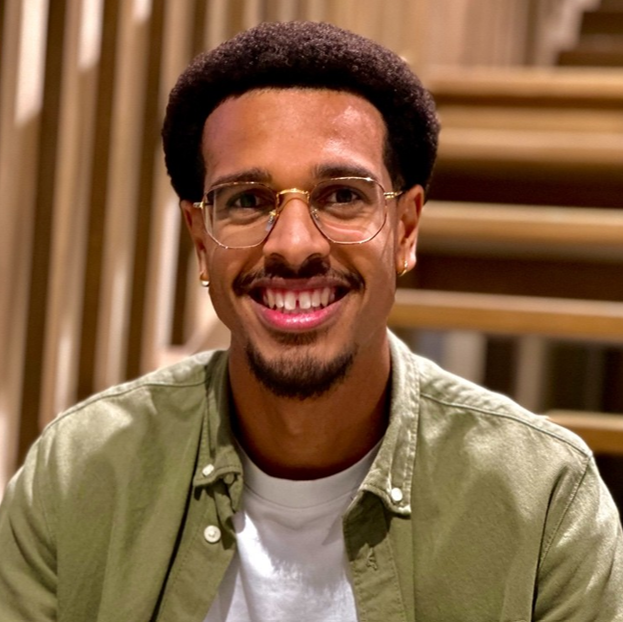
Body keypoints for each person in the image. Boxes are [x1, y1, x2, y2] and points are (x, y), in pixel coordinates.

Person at [0, 20, 621, 622]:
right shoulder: (80, 471)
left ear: (405, 230)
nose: (294, 246)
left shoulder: (544, 499)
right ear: (201, 240)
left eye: (343, 196)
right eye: (247, 201)